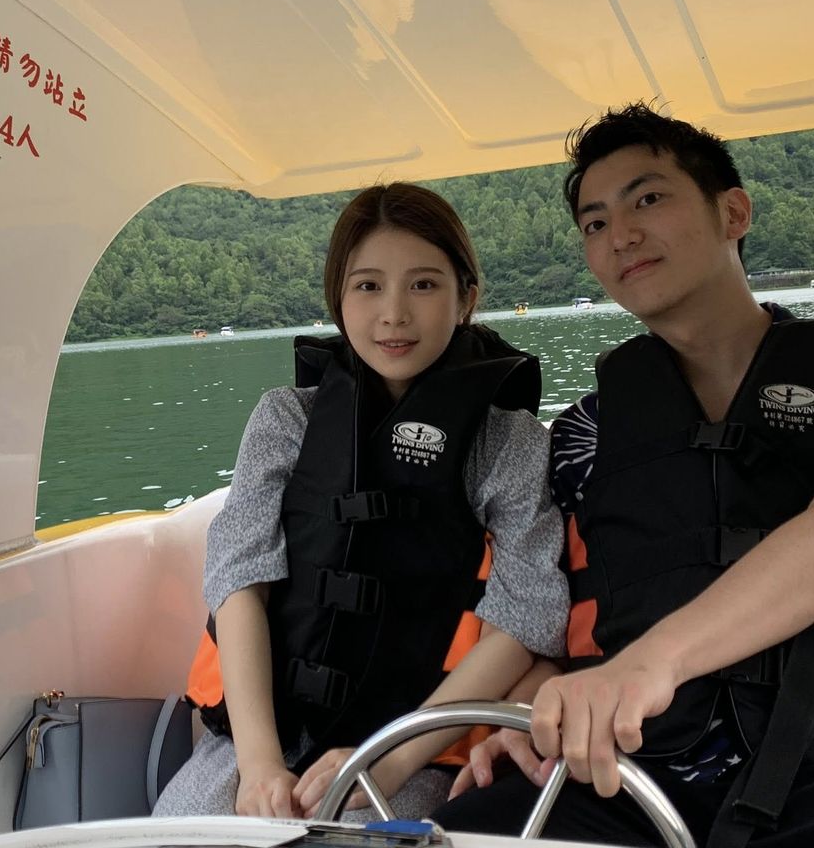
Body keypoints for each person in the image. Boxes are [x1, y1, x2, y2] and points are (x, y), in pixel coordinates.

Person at [434, 104, 814, 847]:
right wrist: (534, 711)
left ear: (733, 213)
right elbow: (572, 608)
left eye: (648, 199)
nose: (620, 235)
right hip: (631, 776)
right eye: (595, 222)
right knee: (449, 832)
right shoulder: (585, 433)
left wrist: (649, 664)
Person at [153, 183, 569, 820]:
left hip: (418, 752)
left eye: (423, 285)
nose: (394, 314)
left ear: (466, 298)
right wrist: (260, 766)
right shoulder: (285, 420)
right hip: (260, 739)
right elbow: (238, 581)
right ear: (339, 301)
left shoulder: (508, 443)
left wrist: (388, 760)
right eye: (368, 286)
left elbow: (527, 618)